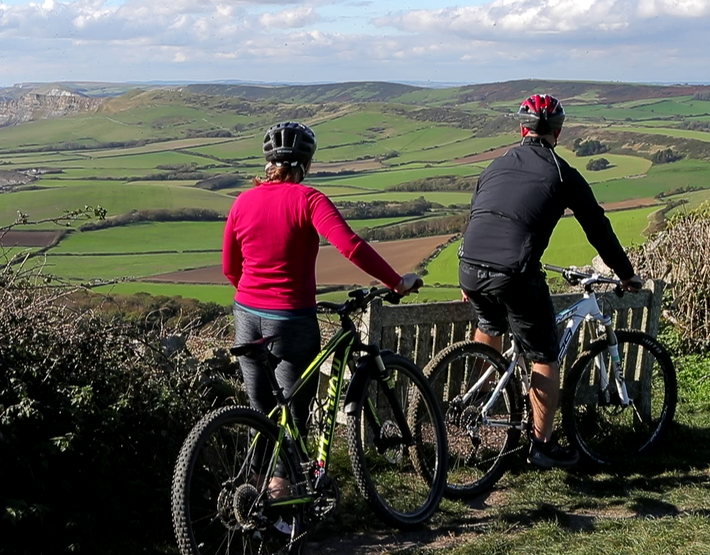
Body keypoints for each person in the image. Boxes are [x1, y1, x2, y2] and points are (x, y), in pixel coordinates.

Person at [223, 121, 422, 496]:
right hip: (291, 320)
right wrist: (396, 281)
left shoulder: (242, 202)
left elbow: (230, 268)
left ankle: (253, 500)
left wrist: (256, 296)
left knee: (261, 411)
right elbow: (350, 246)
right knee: (295, 416)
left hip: (246, 314)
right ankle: (286, 505)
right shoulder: (308, 199)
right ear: (306, 163)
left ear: (269, 162)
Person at [458, 94, 644, 468]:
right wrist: (626, 274)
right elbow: (598, 229)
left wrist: (468, 274)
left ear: (521, 129)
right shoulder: (562, 173)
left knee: (489, 323)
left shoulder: (494, 166)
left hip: (470, 264)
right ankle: (540, 446)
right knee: (544, 354)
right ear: (558, 131)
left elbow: (479, 214)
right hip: (514, 273)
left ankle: (478, 403)